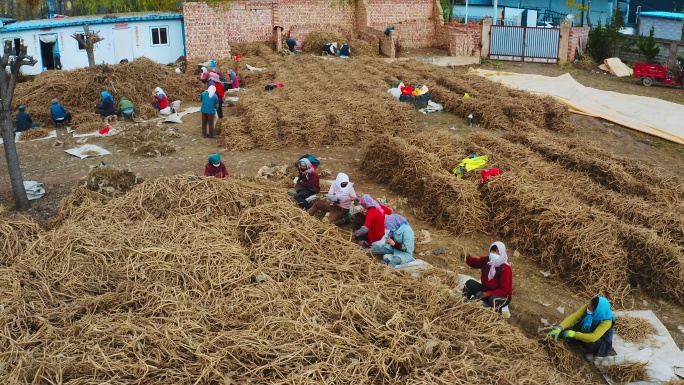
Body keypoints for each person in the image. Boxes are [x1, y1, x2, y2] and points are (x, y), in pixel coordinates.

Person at [547, 296, 615, 362]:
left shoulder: (607, 321)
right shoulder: (588, 307)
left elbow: (594, 337)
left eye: (592, 307)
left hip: (598, 340)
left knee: (592, 344)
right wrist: (559, 328)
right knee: (564, 333)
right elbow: (574, 317)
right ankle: (579, 340)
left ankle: (592, 352)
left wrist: (575, 334)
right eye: (590, 304)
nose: (589, 307)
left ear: (598, 311)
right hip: (586, 330)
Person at [463, 241, 513, 314]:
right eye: (493, 251)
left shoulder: (505, 269)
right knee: (470, 284)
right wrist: (466, 257)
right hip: (485, 290)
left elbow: (503, 290)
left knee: (493, 300)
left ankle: (496, 316)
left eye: (497, 252)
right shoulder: (487, 261)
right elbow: (475, 263)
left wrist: (487, 294)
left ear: (502, 253)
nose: (494, 254)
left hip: (501, 296)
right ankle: (463, 304)